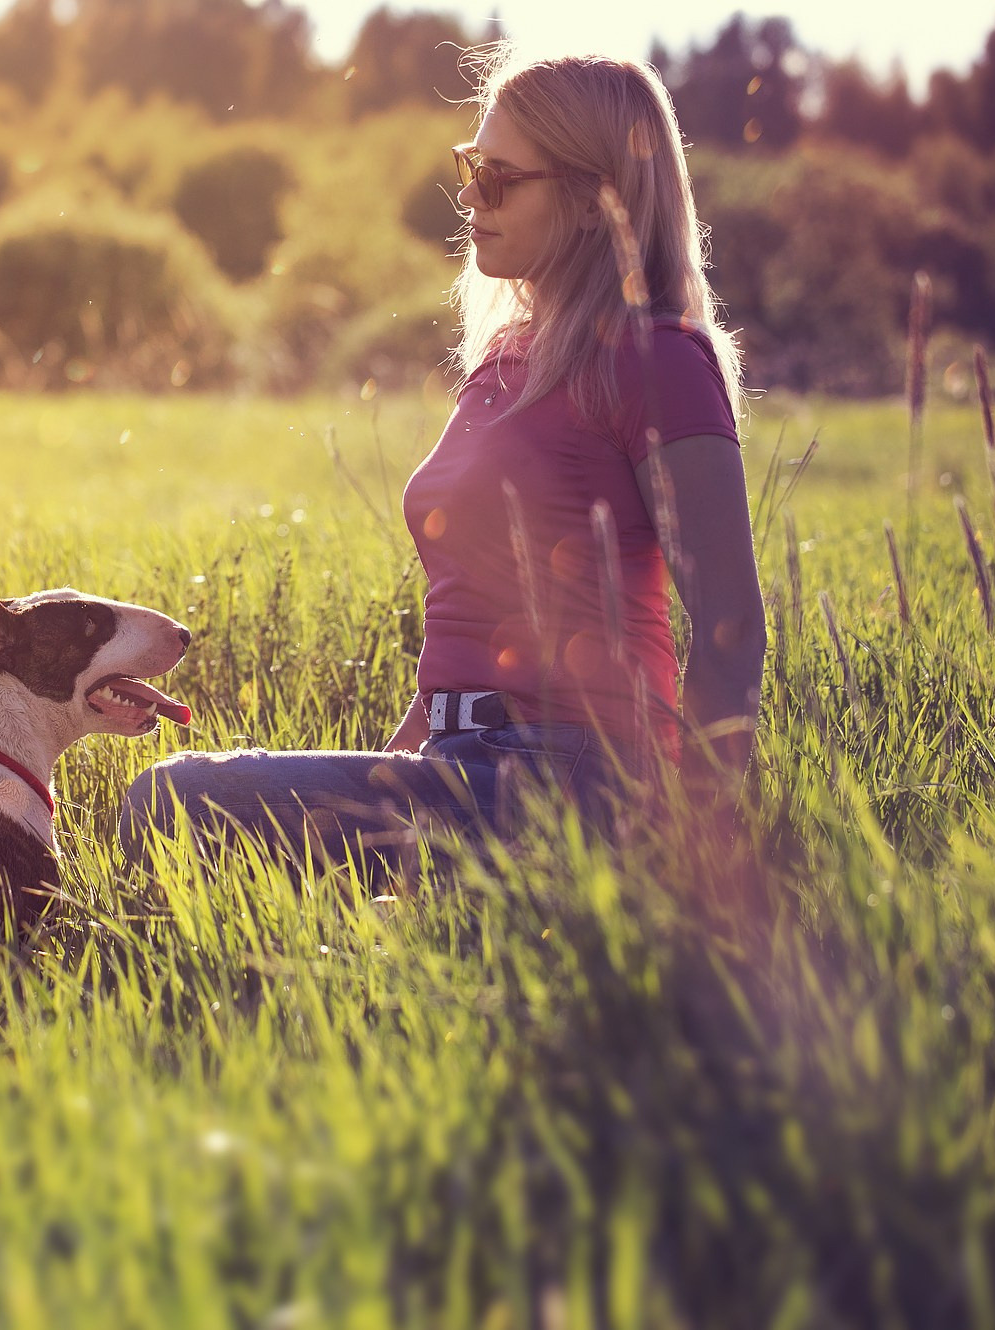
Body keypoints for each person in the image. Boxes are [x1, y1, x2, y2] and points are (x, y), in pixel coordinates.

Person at [121, 49, 767, 871]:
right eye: (471, 167)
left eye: (499, 177)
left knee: (169, 800)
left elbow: (731, 623)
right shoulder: (505, 360)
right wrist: (381, 778)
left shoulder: (661, 360)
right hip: (466, 766)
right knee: (224, 843)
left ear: (587, 196)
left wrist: (695, 848)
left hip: (576, 777)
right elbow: (465, 636)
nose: (469, 196)